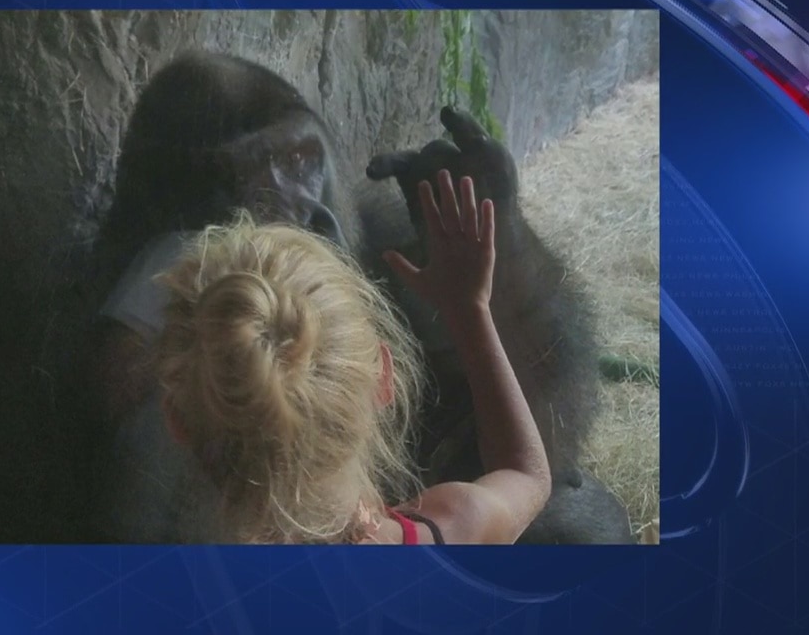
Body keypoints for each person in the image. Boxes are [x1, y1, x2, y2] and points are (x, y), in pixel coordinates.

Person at [153, 171, 552, 544]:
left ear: (177, 421)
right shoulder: (453, 526)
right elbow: (526, 473)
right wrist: (468, 309)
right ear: (384, 377)